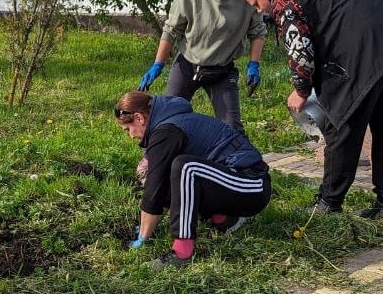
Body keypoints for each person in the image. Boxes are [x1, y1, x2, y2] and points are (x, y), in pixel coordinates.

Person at [240, 0, 383, 225]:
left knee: (343, 124)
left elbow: (300, 51)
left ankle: (329, 203)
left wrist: (301, 90)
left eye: (256, 3)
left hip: (365, 50)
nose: (259, 11)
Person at [115, 91, 271, 268]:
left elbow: (154, 187)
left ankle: (182, 252)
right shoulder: (168, 124)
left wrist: (143, 237)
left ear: (139, 118)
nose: (131, 136)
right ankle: (224, 220)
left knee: (186, 167)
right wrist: (145, 230)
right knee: (175, 173)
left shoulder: (167, 131)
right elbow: (162, 190)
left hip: (252, 184)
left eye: (128, 129)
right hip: (231, 182)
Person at [137, 0, 266, 132]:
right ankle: (151, 158)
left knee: (231, 127)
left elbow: (257, 31)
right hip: (187, 65)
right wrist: (158, 65)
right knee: (168, 120)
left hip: (222, 70)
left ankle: (239, 160)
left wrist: (254, 64)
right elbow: (171, 31)